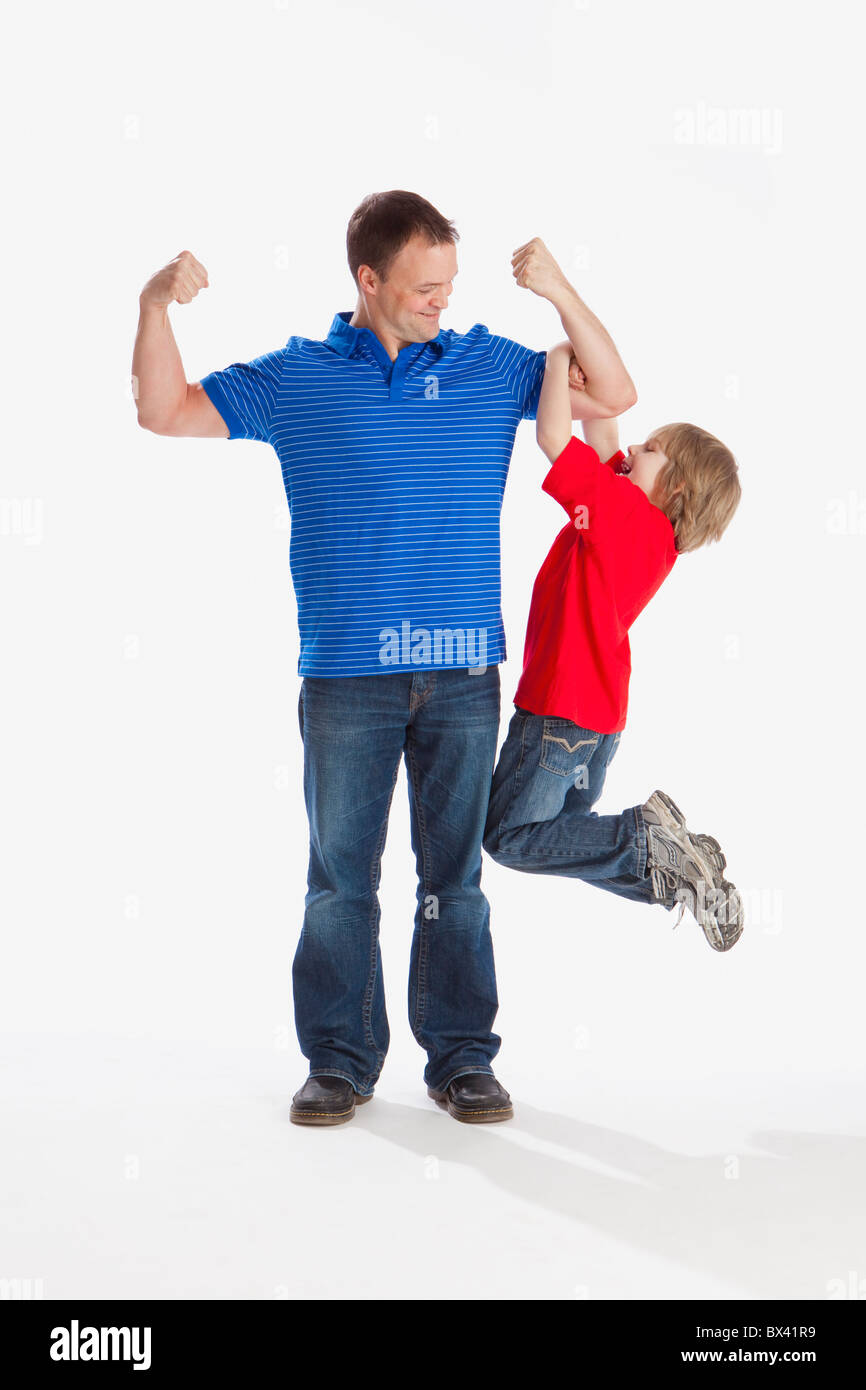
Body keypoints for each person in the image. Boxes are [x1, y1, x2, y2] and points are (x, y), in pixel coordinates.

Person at [132, 193, 635, 1126]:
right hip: (344, 680)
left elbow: (614, 394)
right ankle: (339, 1058)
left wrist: (560, 291)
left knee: (457, 881)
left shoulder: (487, 365)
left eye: (450, 283)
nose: (442, 301)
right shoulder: (298, 378)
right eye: (423, 288)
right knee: (340, 879)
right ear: (367, 281)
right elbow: (164, 410)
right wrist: (154, 306)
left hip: (462, 675)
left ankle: (462, 1060)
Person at [482, 286, 744, 951]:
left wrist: (555, 359)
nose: (633, 451)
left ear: (675, 486)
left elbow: (553, 434)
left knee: (510, 838)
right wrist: (585, 368)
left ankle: (646, 840)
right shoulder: (642, 531)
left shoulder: (620, 513)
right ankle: (674, 874)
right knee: (560, 839)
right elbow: (607, 424)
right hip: (597, 724)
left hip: (559, 713)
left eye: (650, 450)